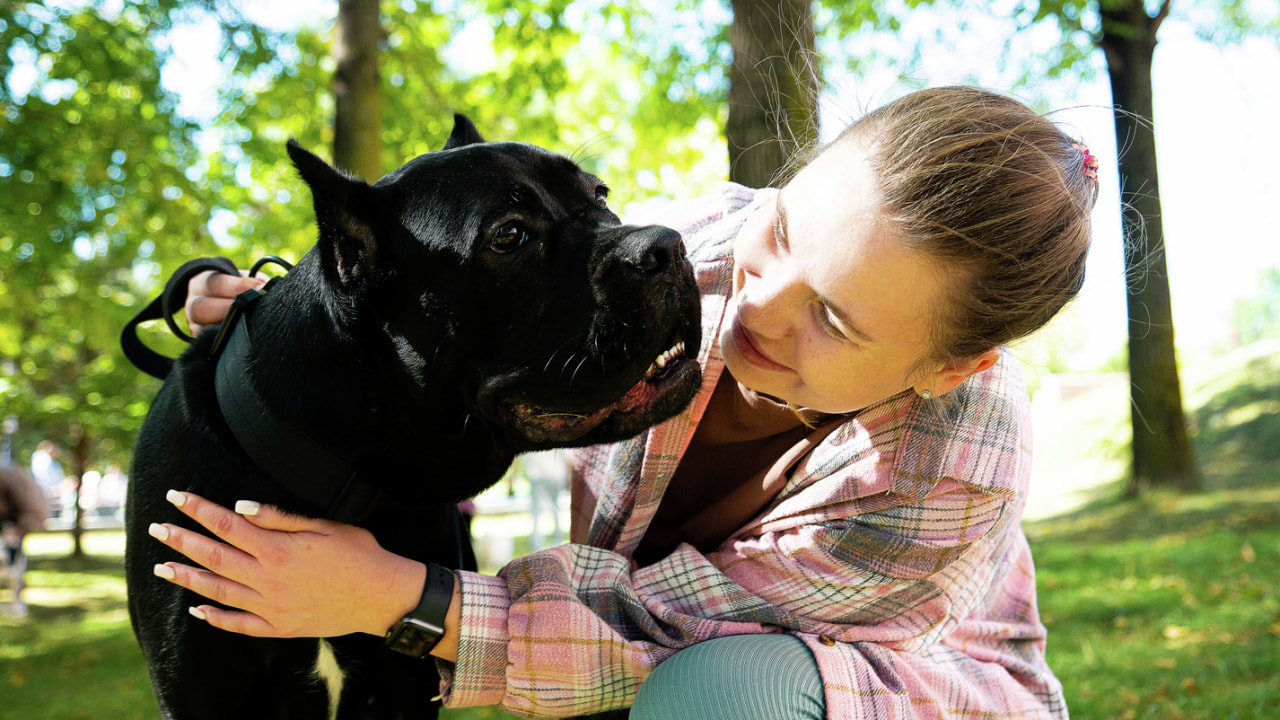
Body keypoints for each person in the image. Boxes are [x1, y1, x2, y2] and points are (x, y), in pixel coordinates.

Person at [148, 86, 1097, 719]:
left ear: (948, 369)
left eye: (836, 322)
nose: (754, 301)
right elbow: (452, 295)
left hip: (884, 695)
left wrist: (400, 595)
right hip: (613, 673)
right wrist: (269, 306)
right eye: (780, 231)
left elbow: (665, 633)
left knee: (719, 693)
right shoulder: (689, 244)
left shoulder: (957, 470)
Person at [1, 464, 50, 616]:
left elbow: (28, 511)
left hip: (13, 527)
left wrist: (17, 531)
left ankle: (17, 602)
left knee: (16, 568)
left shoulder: (13, 484)